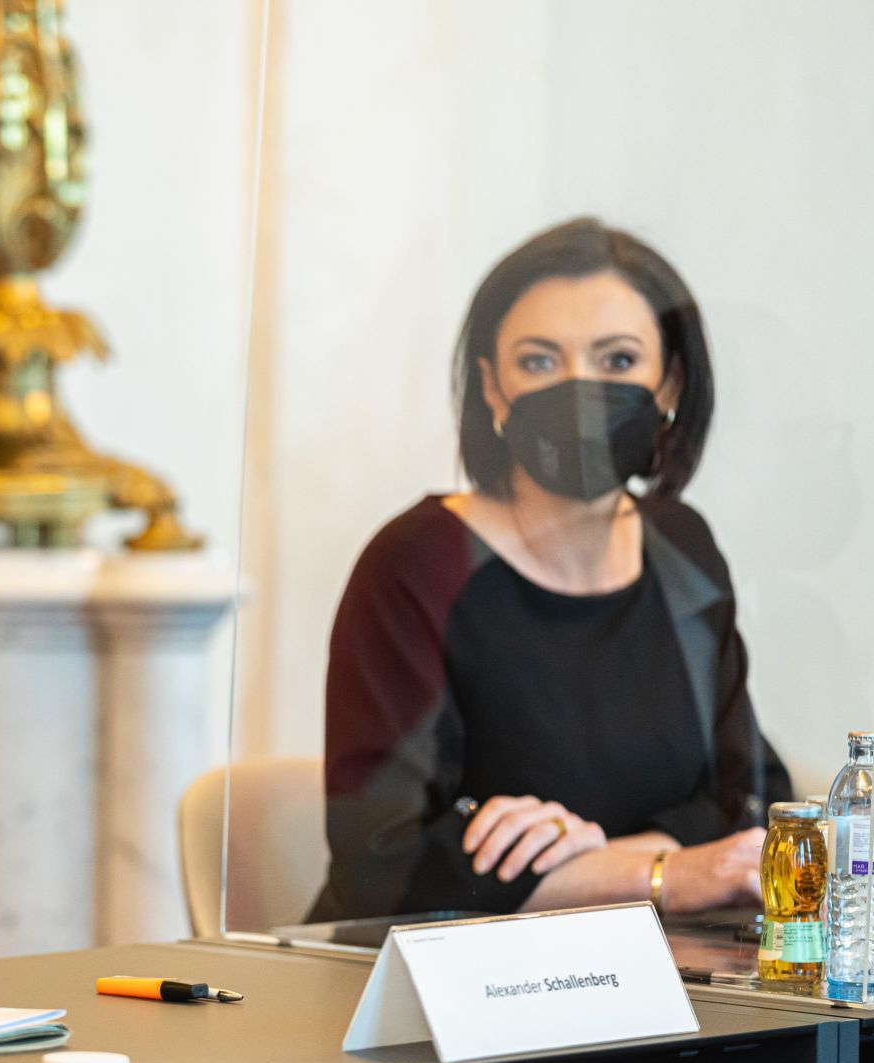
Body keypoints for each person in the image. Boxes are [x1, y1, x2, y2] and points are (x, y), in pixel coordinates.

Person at [310, 217, 790, 922]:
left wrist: (618, 862)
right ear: (492, 391)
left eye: (618, 360)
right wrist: (661, 875)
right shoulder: (417, 564)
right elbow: (382, 861)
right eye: (538, 361)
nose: (581, 389)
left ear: (671, 384)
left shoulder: (681, 548)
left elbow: (751, 798)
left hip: (658, 977)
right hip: (432, 991)